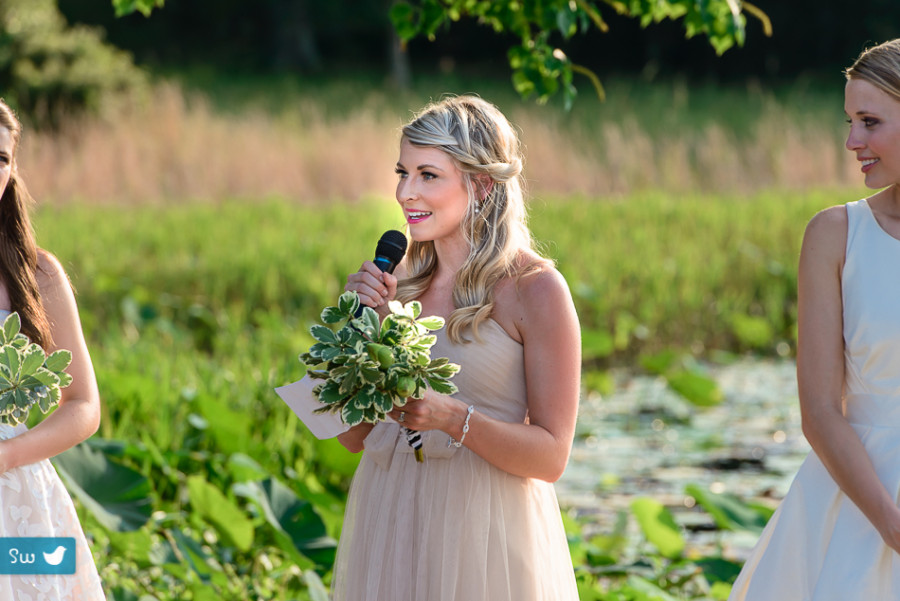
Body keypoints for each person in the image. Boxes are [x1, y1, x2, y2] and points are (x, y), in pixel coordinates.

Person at [335, 95, 581, 600]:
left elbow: (552, 457)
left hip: (486, 533)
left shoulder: (536, 290)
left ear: (481, 184)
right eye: (402, 172)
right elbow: (352, 437)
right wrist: (365, 329)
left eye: (428, 175)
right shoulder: (392, 283)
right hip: (392, 520)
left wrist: (454, 419)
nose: (405, 192)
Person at [730, 39, 900, 599]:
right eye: (850, 122)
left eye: (870, 121)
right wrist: (890, 522)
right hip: (858, 504)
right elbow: (821, 411)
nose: (853, 142)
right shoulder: (835, 235)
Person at [0, 100, 105, 599]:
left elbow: (83, 405)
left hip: (20, 498)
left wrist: (10, 454)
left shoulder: (39, 275)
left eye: (1, 159)